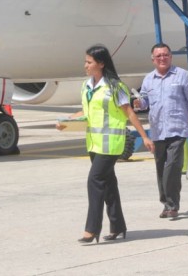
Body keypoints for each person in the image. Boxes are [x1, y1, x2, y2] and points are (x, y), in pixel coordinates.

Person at [63, 45, 154, 243]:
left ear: (101, 64)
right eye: (85, 61)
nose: (85, 65)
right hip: (94, 143)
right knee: (108, 185)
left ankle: (92, 229)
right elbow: (86, 112)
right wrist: (67, 121)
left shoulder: (115, 87)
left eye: (89, 62)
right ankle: (118, 226)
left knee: (94, 181)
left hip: (111, 144)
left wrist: (144, 137)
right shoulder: (86, 86)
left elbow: (129, 112)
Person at [134, 43, 188, 219]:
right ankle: (166, 203)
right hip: (157, 131)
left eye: (165, 55)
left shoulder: (182, 75)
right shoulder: (148, 79)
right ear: (153, 59)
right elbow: (144, 102)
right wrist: (139, 104)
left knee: (172, 167)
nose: (162, 58)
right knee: (160, 169)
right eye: (158, 56)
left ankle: (172, 205)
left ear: (171, 57)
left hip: (177, 129)